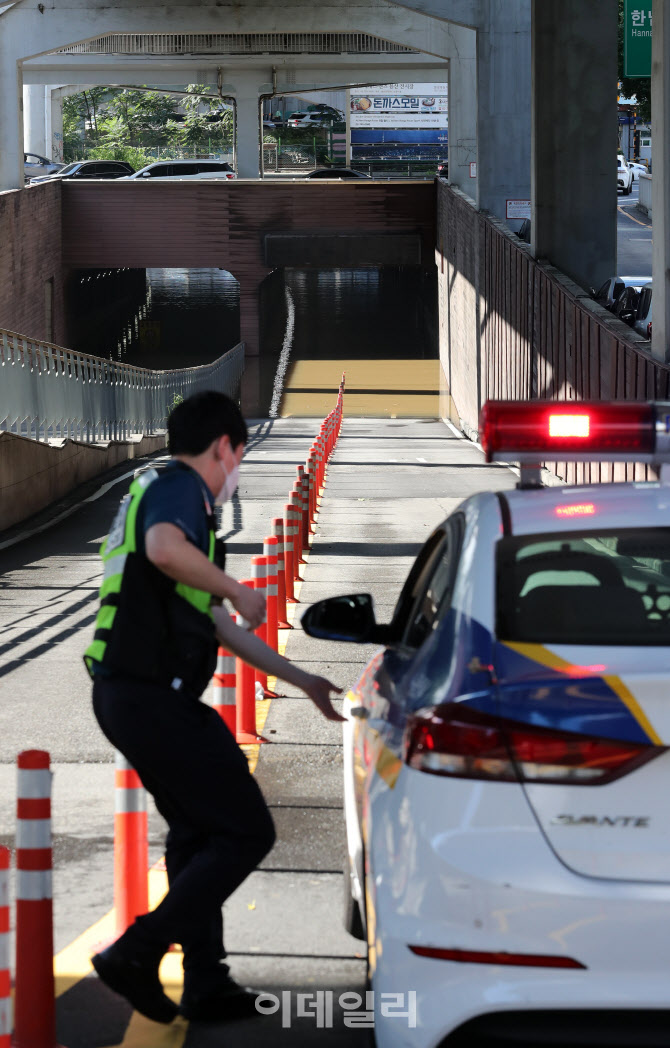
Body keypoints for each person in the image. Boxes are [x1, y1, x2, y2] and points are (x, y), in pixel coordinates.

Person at [84, 391, 344, 1024]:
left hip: (132, 696)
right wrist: (233, 585)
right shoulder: (179, 492)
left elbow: (221, 626)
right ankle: (137, 953)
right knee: (247, 830)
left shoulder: (162, 493)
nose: (238, 471)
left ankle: (206, 981)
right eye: (240, 455)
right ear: (223, 447)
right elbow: (164, 550)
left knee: (198, 833)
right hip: (148, 697)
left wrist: (302, 678)